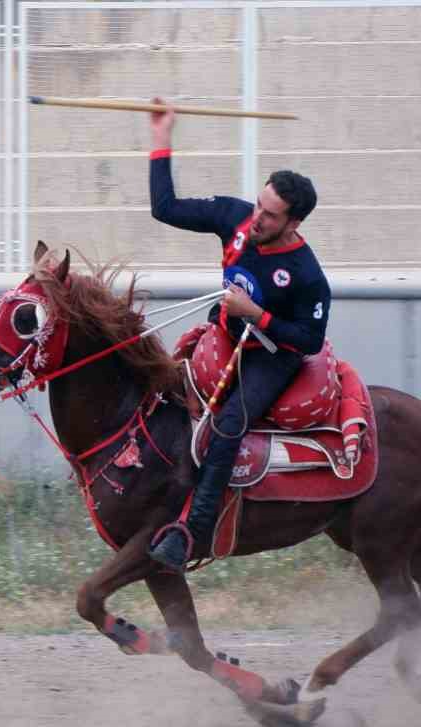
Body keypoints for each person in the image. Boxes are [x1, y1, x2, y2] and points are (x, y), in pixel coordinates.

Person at [143, 97, 333, 573]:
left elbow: (309, 340)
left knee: (227, 427)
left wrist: (256, 315)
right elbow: (164, 208)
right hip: (226, 331)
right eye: (259, 205)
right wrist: (162, 135)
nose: (257, 219)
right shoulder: (234, 217)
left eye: (270, 216)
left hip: (271, 357)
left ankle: (192, 533)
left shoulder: (306, 274)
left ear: (294, 222)